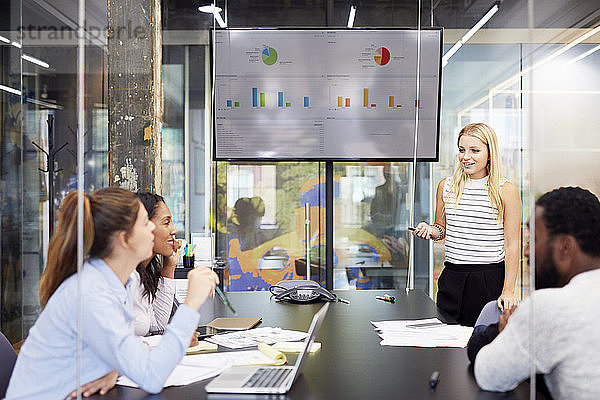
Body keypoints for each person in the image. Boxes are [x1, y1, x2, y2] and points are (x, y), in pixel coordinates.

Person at [6, 188, 219, 399]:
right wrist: (192, 302)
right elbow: (151, 376)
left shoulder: (126, 280)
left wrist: (114, 369)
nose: (152, 231)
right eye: (146, 223)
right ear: (124, 239)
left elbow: (129, 344)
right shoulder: (91, 293)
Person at [473, 186, 600, 398]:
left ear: (565, 247)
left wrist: (507, 334)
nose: (526, 251)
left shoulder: (552, 307)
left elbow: (488, 374)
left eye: (534, 239)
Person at [412, 123, 522, 326]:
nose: (466, 157)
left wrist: (508, 289)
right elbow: (441, 230)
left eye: (475, 151)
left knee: (480, 343)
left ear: (490, 153)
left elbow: (512, 245)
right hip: (452, 278)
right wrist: (430, 230)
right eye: (462, 150)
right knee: (447, 345)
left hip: (489, 279)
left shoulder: (506, 190)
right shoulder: (446, 187)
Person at [130, 193, 181, 336]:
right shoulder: (127, 276)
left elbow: (157, 326)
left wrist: (169, 267)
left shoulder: (143, 274)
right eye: (166, 223)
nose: (174, 230)